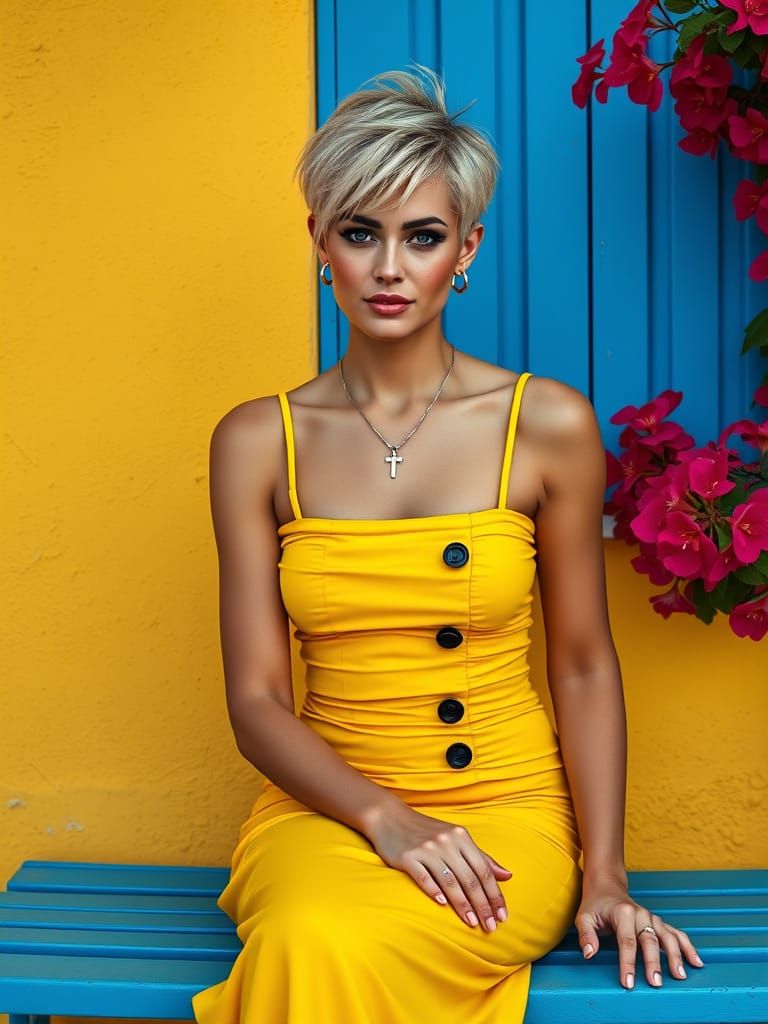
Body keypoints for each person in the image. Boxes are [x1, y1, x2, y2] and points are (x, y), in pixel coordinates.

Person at [191, 64, 703, 1024]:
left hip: (507, 811)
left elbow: (585, 665)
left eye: (422, 238)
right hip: (327, 813)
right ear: (319, 244)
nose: (390, 267)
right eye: (360, 233)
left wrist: (606, 873)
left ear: (463, 251)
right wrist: (384, 818)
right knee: (310, 939)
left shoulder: (544, 423)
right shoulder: (258, 441)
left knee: (353, 954)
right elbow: (256, 701)